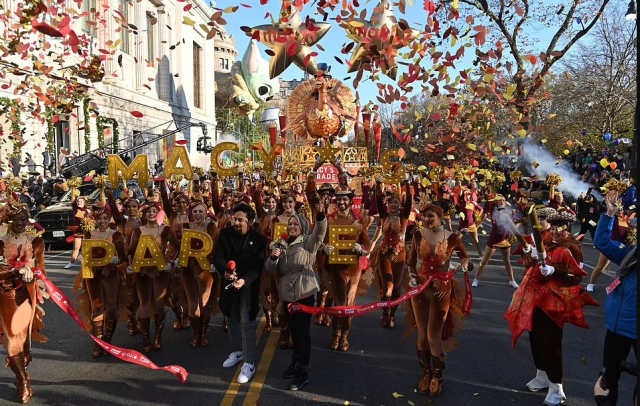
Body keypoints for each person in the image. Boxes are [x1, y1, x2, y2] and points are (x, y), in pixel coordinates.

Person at [506, 211, 598, 406]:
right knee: (535, 339)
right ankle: (542, 375)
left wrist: (555, 271)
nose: (555, 232)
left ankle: (557, 387)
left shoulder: (572, 248)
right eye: (553, 228)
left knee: (550, 343)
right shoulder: (546, 244)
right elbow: (530, 266)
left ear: (568, 229)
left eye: (559, 228)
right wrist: (531, 255)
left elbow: (576, 278)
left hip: (555, 305)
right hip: (535, 300)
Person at [405, 203, 472, 396]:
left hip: (441, 290)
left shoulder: (452, 238)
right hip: (419, 289)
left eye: (431, 216)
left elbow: (465, 259)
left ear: (439, 217)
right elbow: (411, 263)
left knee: (434, 335)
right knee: (422, 335)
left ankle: (438, 376)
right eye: (425, 216)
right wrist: (412, 277)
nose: (427, 219)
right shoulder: (418, 235)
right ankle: (426, 374)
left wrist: (466, 264)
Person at [266, 202, 327, 391]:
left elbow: (320, 232)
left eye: (295, 224)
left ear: (302, 227)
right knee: (293, 331)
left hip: (304, 291)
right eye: (289, 224)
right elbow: (270, 268)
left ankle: (303, 372)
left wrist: (320, 216)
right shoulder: (282, 244)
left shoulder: (308, 241)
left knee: (302, 333)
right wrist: (274, 256)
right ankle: (295, 363)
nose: (292, 227)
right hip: (287, 293)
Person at [0, 192, 47, 403]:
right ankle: (24, 381)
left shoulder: (36, 242)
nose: (19, 223)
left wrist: (37, 280)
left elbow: (41, 271)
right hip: (6, 294)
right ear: (8, 220)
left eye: (23, 219)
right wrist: (13, 272)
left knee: (25, 343)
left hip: (27, 295)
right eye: (15, 219)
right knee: (11, 342)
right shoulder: (1, 243)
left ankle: (21, 374)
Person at [213, 203, 267, 384]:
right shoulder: (225, 234)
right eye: (235, 219)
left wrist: (244, 280)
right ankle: (237, 351)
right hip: (229, 284)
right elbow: (218, 257)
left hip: (247, 287)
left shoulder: (259, 240)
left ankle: (249, 362)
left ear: (250, 221)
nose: (236, 222)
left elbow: (257, 266)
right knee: (230, 317)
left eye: (241, 220)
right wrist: (225, 272)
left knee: (247, 322)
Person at [593, 193, 637, 406]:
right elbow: (601, 242)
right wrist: (609, 216)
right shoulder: (631, 253)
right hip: (617, 328)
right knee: (609, 381)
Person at [472, 194, 519, 288]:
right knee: (485, 260)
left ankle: (512, 280)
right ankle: (475, 279)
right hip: (494, 239)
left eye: (503, 199)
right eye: (500, 200)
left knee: (507, 261)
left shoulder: (509, 211)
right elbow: (487, 204)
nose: (502, 201)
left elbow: (517, 222)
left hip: (505, 239)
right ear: (496, 201)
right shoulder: (492, 209)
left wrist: (513, 231)